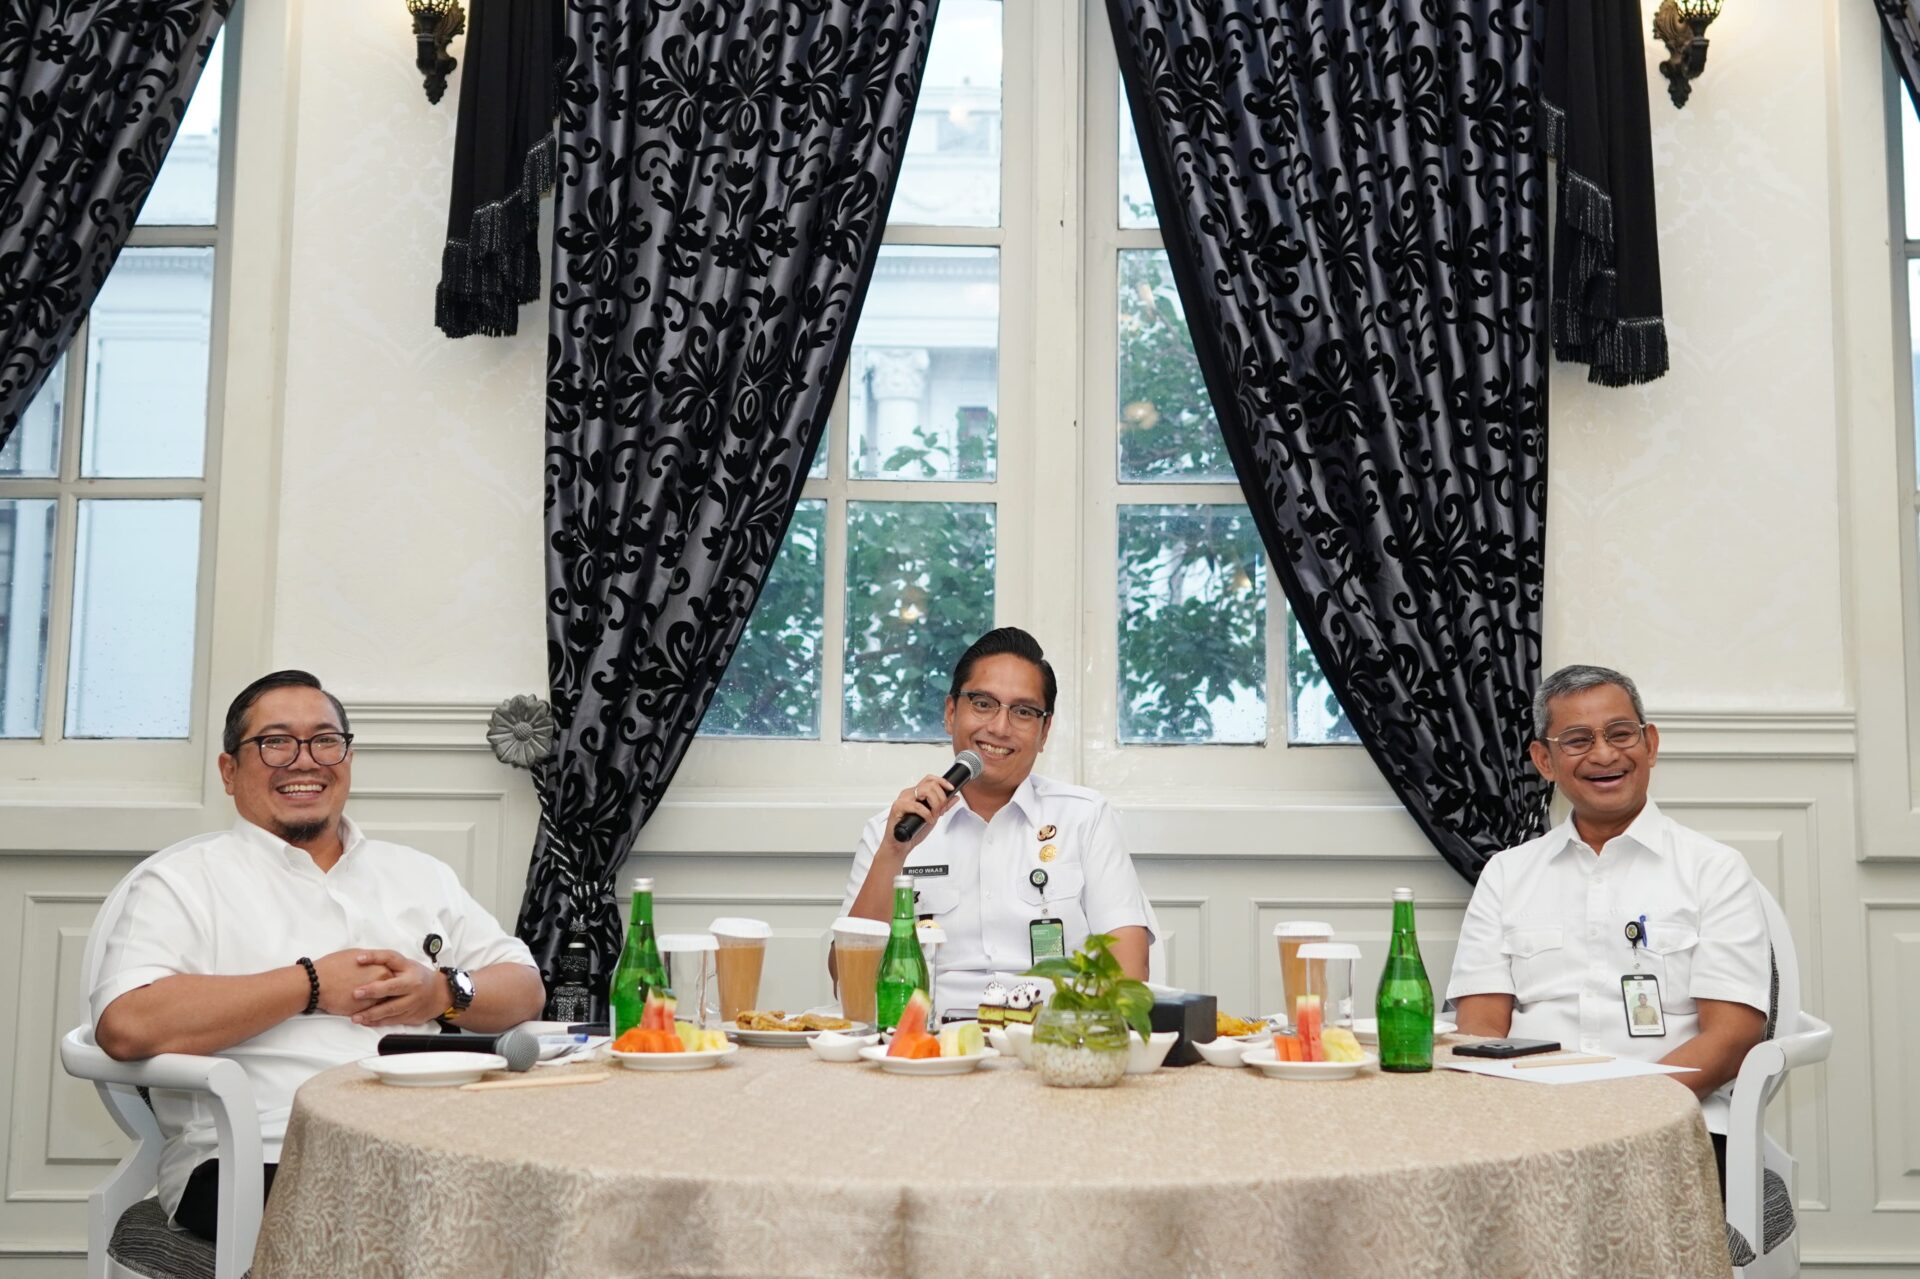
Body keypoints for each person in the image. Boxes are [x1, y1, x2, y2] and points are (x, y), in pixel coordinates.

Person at [90, 671, 546, 1242]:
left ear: (347, 758)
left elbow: (525, 988)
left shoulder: (419, 874)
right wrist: (309, 985)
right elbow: (127, 1025)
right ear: (229, 771)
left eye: (325, 741)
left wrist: (442, 992)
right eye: (276, 742)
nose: (305, 760)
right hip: (259, 1157)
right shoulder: (181, 883)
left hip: (430, 1142)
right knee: (452, 1219)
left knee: (558, 1201)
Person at [1446, 663, 1770, 1177]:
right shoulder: (1506, 874)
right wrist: (1533, 1111)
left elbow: (1733, 1036)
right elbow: (1482, 1026)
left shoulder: (1714, 869)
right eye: (1577, 740)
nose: (1603, 754)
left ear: (1650, 744)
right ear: (1544, 760)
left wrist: (1622, 1109)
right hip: (1530, 1121)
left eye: (1620, 734)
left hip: (1673, 1120)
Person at [837, 628, 1154, 1021]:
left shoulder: (1084, 818)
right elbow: (846, 982)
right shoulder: (894, 829)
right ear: (951, 712)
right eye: (983, 704)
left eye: (1023, 712)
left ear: (1044, 731)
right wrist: (893, 853)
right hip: (927, 1040)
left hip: (1051, 1038)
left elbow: (1129, 972)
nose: (1000, 727)